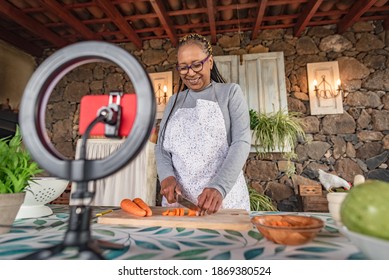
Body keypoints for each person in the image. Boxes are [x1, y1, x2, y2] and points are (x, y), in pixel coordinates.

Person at [155, 33, 251, 215]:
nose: (190, 73)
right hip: (178, 204)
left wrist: (219, 187)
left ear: (210, 62)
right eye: (183, 68)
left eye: (197, 64)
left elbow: (241, 142)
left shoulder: (230, 93)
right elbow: (161, 148)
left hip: (223, 201)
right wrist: (166, 177)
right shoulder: (174, 101)